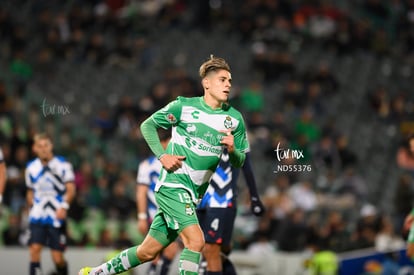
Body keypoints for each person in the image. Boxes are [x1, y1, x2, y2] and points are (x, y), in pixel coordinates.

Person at [79, 55, 249, 275]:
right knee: (196, 242)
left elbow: (240, 161)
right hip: (173, 187)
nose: (228, 85)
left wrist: (233, 150)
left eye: (230, 81)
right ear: (206, 83)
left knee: (147, 252)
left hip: (192, 195)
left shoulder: (234, 119)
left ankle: (93, 273)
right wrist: (161, 156)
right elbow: (147, 125)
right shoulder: (184, 107)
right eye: (222, 79)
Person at [197, 149, 265, 275]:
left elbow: (247, 165)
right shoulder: (198, 131)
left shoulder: (235, 132)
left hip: (221, 200)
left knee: (212, 249)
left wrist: (254, 197)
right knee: (205, 247)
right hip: (199, 199)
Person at [25, 133, 76, 275]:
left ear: (51, 146)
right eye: (40, 146)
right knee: (34, 250)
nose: (43, 149)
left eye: (46, 145)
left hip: (56, 216)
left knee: (57, 258)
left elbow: (71, 189)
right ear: (34, 148)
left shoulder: (63, 165)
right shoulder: (31, 168)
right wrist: (30, 208)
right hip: (38, 216)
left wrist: (64, 207)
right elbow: (30, 191)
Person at [136, 129, 180, 275]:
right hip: (154, 214)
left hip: (171, 214)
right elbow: (141, 192)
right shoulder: (147, 165)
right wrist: (142, 217)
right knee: (163, 252)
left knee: (161, 254)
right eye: (169, 142)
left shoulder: (175, 162)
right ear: (162, 143)